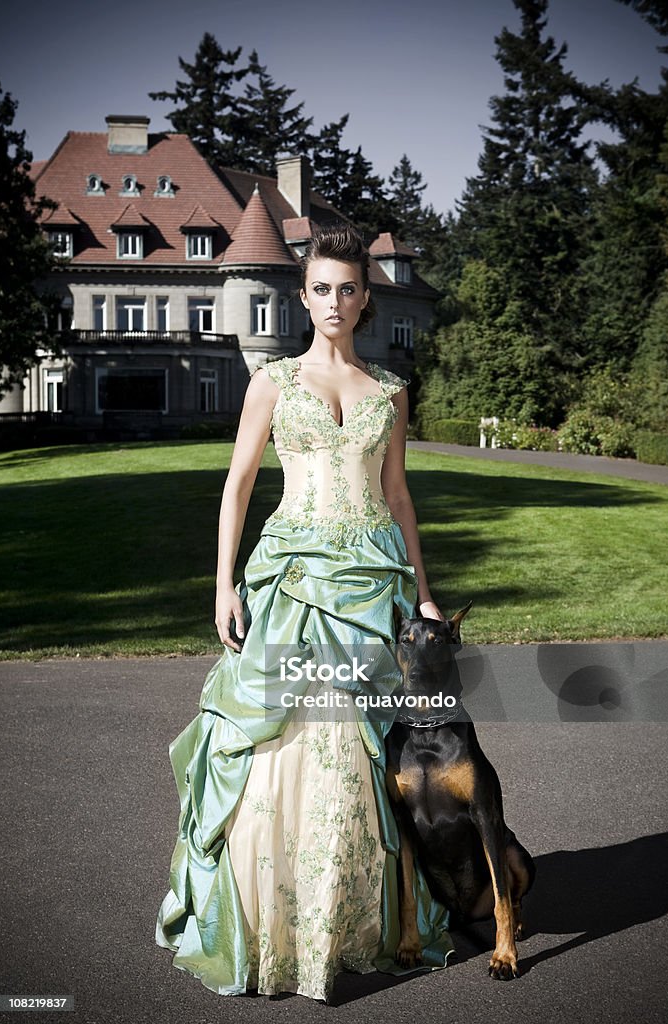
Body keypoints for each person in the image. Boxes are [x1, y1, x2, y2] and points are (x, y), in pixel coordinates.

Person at [155, 224, 454, 1002]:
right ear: (303, 295)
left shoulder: (389, 391)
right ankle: (270, 928)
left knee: (361, 753)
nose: (335, 302)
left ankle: (353, 923)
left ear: (365, 296)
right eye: (320, 288)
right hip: (290, 578)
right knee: (277, 745)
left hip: (369, 583)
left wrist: (420, 590)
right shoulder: (273, 382)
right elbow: (239, 485)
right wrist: (222, 586)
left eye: (348, 289)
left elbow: (395, 496)